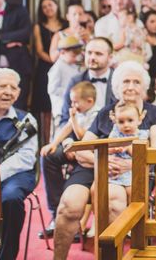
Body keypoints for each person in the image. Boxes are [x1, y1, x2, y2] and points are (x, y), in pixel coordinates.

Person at [52, 61, 156, 260]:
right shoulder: (106, 112)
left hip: (135, 169)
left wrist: (131, 163)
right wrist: (102, 162)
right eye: (126, 81)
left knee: (113, 201)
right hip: (94, 166)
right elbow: (83, 150)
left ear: (144, 87)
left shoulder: (155, 113)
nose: (131, 86)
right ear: (117, 86)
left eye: (136, 82)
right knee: (68, 205)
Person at [0, 68, 37, 260]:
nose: (8, 92)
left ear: (19, 93)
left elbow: (26, 158)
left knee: (10, 199)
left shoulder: (27, 120)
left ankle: (6, 256)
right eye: (3, 86)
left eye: (13, 88)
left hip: (12, 173)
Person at [40, 81, 99, 233]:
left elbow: (82, 135)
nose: (72, 105)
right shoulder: (79, 113)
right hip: (74, 149)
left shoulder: (96, 113)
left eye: (75, 102)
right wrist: (54, 144)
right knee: (49, 155)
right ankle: (56, 210)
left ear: (89, 101)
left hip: (91, 155)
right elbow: (66, 129)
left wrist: (73, 120)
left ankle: (76, 216)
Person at [32, 0, 68, 144]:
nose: (48, 8)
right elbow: (39, 51)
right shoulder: (38, 26)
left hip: (66, 66)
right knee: (45, 107)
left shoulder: (66, 24)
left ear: (57, 5)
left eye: (50, 5)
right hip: (45, 67)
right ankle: (46, 143)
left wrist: (61, 62)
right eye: (44, 7)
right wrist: (54, 60)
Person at [107, 102, 150, 197]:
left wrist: (128, 148)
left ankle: (134, 210)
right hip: (115, 173)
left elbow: (140, 155)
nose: (126, 125)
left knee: (133, 193)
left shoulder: (142, 135)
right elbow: (107, 148)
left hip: (133, 172)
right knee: (112, 192)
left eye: (130, 120)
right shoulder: (116, 133)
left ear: (139, 120)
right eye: (121, 122)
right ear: (115, 122)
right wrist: (114, 149)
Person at [47, 36, 83, 135]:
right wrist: (68, 92)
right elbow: (52, 89)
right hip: (60, 106)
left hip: (72, 105)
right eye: (73, 56)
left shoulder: (73, 66)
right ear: (62, 52)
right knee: (60, 130)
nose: (76, 58)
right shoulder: (58, 67)